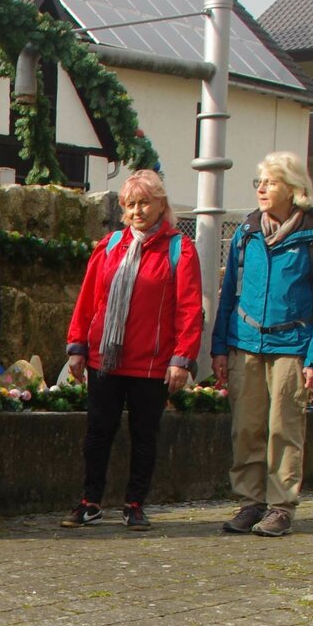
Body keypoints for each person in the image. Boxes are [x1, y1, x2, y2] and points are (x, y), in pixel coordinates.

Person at [59, 168, 202, 531]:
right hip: (104, 358)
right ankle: (90, 501)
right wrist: (77, 346)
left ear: (160, 205)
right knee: (98, 431)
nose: (137, 211)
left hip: (151, 362)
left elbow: (188, 308)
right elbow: (89, 300)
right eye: (130, 204)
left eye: (144, 203)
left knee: (144, 435)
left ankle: (135, 503)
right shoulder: (109, 247)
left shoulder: (179, 250)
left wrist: (182, 358)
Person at [211, 151, 313, 538]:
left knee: (284, 429)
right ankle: (250, 503)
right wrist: (219, 348)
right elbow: (228, 292)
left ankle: (281, 507)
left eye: (272, 182)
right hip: (244, 343)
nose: (262, 189)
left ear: (294, 189)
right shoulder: (247, 232)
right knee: (246, 429)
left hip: (292, 346)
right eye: (260, 182)